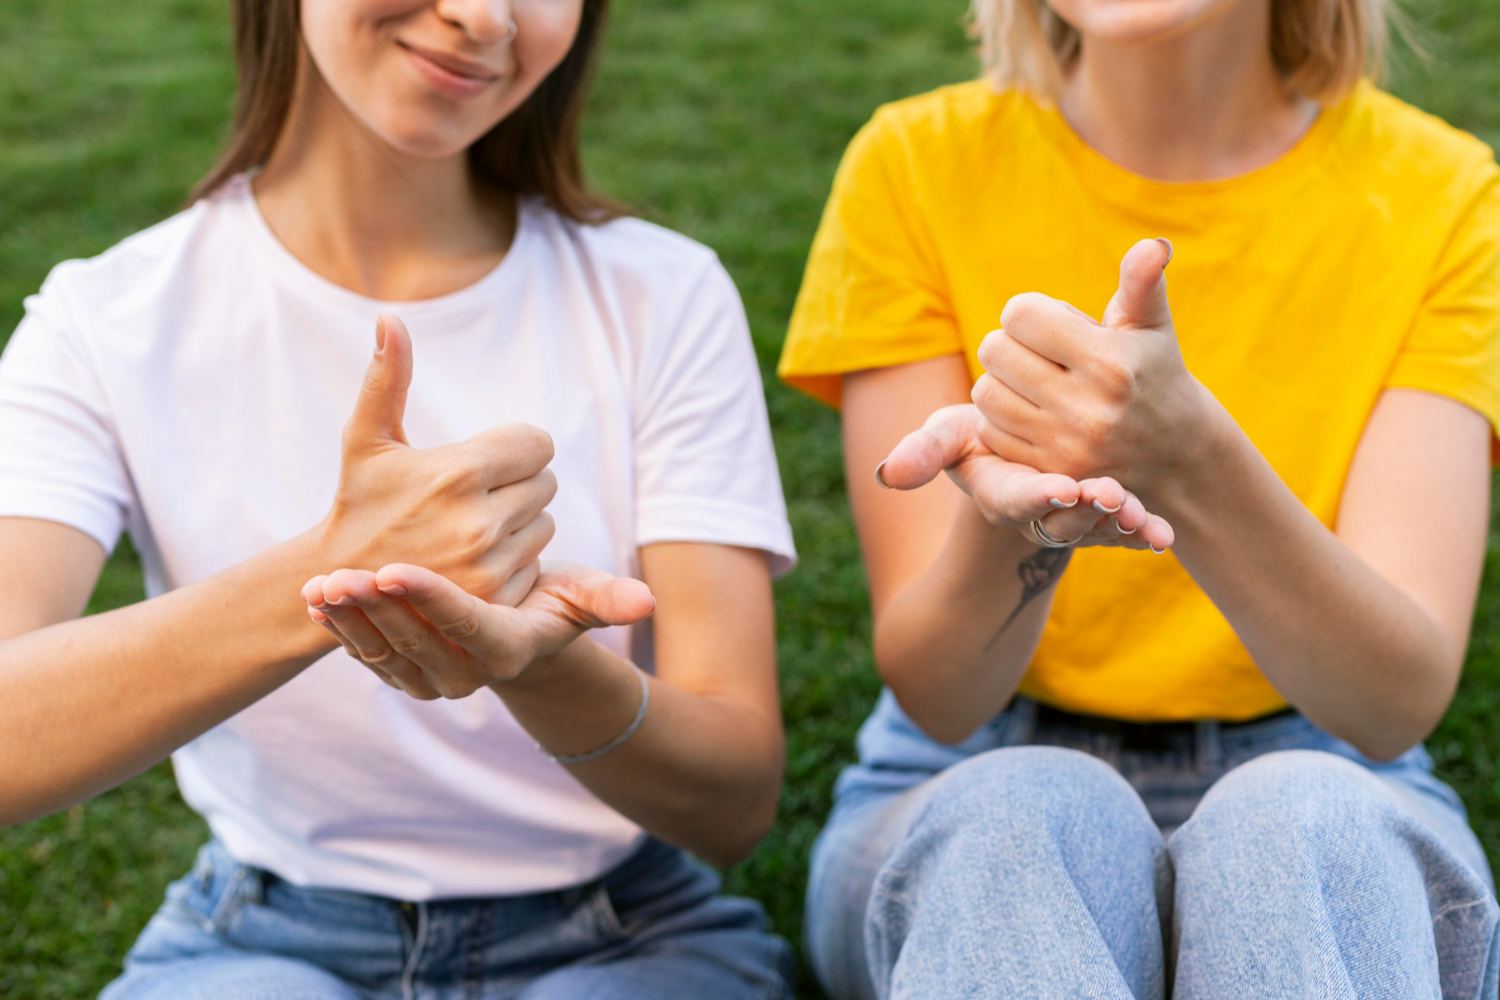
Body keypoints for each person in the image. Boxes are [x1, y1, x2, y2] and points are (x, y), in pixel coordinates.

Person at [0, 0, 797, 996]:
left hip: (624, 935)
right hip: (262, 941)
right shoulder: (104, 320)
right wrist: (335, 561)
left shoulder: (661, 294)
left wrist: (537, 664)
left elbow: (732, 805)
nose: (480, 16)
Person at [778, 0, 1500, 995]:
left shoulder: (1447, 194)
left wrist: (1191, 456)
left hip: (1325, 756)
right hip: (969, 768)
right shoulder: (911, 161)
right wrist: (1011, 524)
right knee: (1022, 813)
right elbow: (942, 698)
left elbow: (1388, 707)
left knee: (1301, 819)